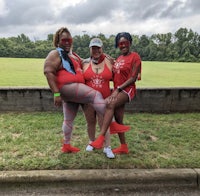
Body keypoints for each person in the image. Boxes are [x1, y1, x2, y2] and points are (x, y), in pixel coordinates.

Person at [43, 27, 129, 154]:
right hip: (68, 88)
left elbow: (91, 64)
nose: (67, 42)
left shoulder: (74, 56)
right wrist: (56, 93)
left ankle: (66, 145)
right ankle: (112, 123)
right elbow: (48, 71)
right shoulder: (55, 53)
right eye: (64, 40)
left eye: (69, 39)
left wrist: (108, 59)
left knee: (68, 119)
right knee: (95, 95)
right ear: (58, 41)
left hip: (73, 93)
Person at [90, 32, 142, 154]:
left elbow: (133, 78)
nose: (123, 46)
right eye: (120, 43)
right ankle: (123, 146)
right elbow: (115, 75)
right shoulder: (119, 58)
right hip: (117, 90)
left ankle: (101, 136)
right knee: (119, 119)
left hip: (127, 90)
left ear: (130, 43)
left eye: (125, 43)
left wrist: (117, 90)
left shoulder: (135, 57)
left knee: (107, 104)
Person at [82, 38, 115, 158]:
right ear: (90, 49)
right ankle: (92, 141)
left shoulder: (110, 62)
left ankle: (107, 147)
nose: (96, 50)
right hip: (88, 100)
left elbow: (118, 79)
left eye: (98, 48)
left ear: (102, 49)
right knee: (90, 122)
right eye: (93, 48)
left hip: (104, 100)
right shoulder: (84, 63)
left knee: (104, 124)